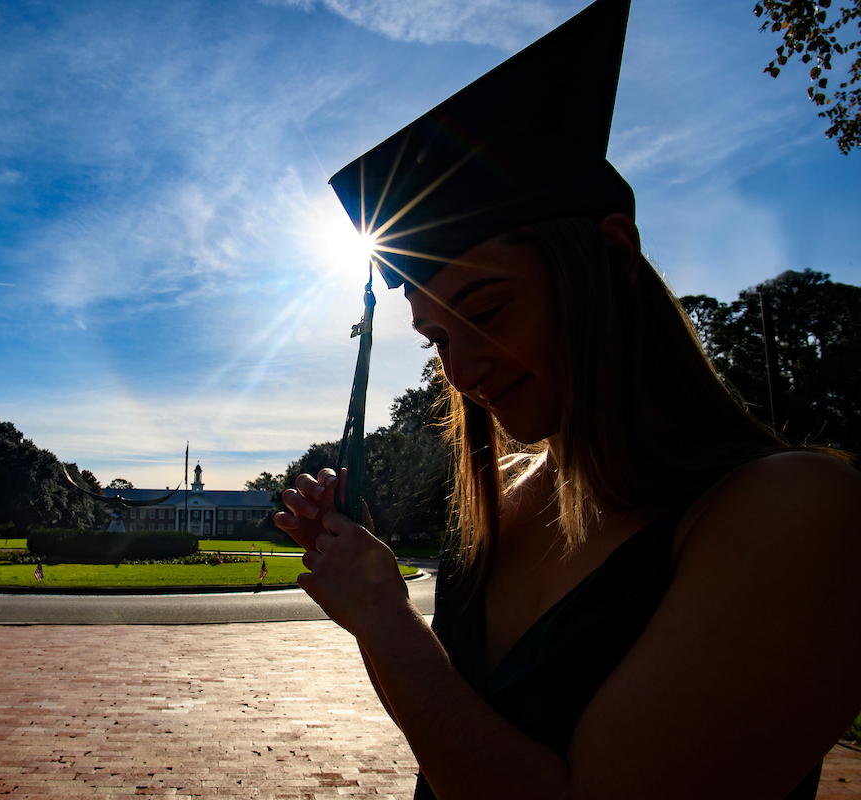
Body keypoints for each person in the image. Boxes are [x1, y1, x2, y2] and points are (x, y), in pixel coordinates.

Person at [273, 1, 861, 798]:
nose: (466, 369)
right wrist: (371, 578)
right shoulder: (508, 497)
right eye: (438, 340)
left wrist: (385, 620)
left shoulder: (794, 513)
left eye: (487, 312)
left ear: (612, 258)